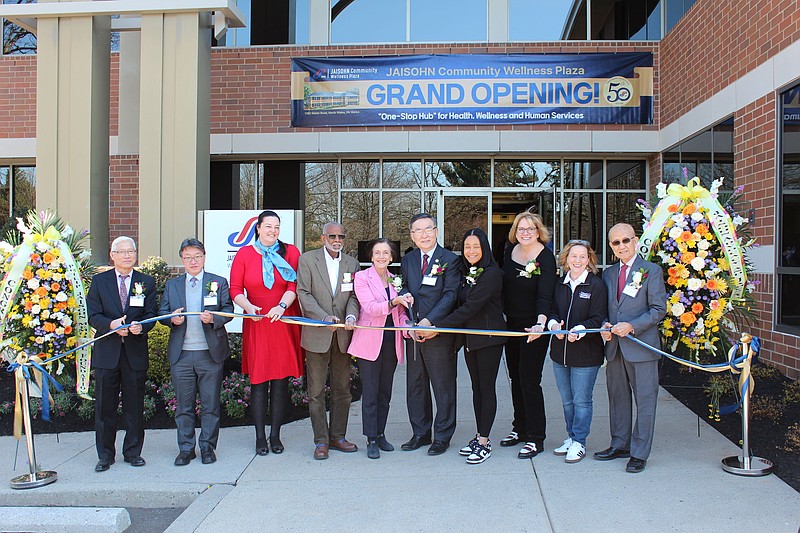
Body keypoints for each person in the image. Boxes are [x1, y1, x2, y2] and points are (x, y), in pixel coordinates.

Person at [230, 210, 304, 456]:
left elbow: (294, 283)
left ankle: (275, 435)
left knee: (281, 382)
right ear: (258, 228)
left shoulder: (290, 252)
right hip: (258, 321)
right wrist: (248, 307)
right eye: (268, 226)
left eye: (277, 227)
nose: (273, 231)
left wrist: (281, 306)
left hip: (282, 320)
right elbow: (235, 289)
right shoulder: (244, 254)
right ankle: (260, 436)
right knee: (259, 382)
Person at [529, 240, 607, 464]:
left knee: (582, 401)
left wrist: (579, 330)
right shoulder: (559, 284)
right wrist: (554, 326)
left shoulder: (596, 286)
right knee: (567, 401)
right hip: (560, 354)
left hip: (586, 355)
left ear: (589, 260)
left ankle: (580, 441)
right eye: (574, 256)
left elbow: (598, 318)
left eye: (583, 256)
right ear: (566, 259)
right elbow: (552, 311)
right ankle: (571, 437)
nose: (578, 260)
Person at [598, 223, 667, 473]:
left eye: (625, 240)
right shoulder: (608, 274)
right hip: (615, 348)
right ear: (611, 246)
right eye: (616, 242)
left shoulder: (651, 271)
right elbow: (604, 308)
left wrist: (632, 326)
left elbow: (659, 309)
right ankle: (620, 444)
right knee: (617, 398)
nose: (621, 246)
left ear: (635, 241)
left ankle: (639, 453)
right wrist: (604, 325)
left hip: (642, 346)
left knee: (645, 401)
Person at [159, 238, 233, 466]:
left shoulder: (218, 282)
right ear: (182, 259)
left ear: (204, 257)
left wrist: (214, 318)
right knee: (184, 406)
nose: (193, 261)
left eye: (197, 257)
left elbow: (228, 310)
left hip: (209, 353)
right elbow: (162, 312)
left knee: (210, 405)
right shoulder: (172, 285)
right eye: (188, 257)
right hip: (181, 354)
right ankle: (186, 449)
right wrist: (171, 319)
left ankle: (207, 447)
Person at [87, 236, 157, 472]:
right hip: (107, 353)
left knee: (134, 407)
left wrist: (141, 326)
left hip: (134, 353)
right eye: (122, 251)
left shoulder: (146, 281)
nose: (127, 255)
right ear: (112, 255)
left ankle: (133, 452)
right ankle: (105, 455)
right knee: (104, 408)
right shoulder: (99, 281)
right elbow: (92, 315)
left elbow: (151, 314)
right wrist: (111, 325)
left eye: (131, 251)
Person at [436, 228, 505, 464]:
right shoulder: (467, 271)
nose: (471, 251)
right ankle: (479, 435)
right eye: (467, 247)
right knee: (477, 389)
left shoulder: (491, 274)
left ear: (484, 248)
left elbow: (470, 308)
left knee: (486, 389)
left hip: (488, 340)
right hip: (471, 340)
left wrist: (438, 326)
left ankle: (484, 442)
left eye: (476, 246)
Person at [296, 222, 361, 460]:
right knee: (316, 392)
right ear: (323, 237)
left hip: (343, 335)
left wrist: (351, 316)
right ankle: (321, 441)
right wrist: (323, 317)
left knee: (342, 390)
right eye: (332, 236)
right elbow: (303, 293)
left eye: (341, 236)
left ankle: (338, 437)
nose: (337, 240)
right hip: (317, 334)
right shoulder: (307, 260)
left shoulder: (352, 263)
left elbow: (354, 296)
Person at [399, 213, 461, 456]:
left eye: (428, 229)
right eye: (418, 230)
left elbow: (450, 295)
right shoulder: (408, 259)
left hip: (438, 333)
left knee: (443, 386)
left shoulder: (450, 259)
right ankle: (420, 433)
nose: (423, 234)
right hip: (414, 332)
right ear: (412, 236)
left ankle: (442, 436)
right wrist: (408, 316)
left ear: (436, 231)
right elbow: (404, 286)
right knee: (416, 386)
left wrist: (430, 321)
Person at [500, 211, 557, 459]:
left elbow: (546, 295)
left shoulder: (545, 257)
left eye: (530, 229)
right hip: (511, 324)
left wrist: (540, 324)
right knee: (515, 377)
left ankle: (536, 437)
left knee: (529, 380)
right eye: (521, 229)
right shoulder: (509, 251)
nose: (525, 233)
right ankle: (520, 428)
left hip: (535, 327)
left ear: (538, 232)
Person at [348, 239, 412, 459]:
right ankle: (371, 439)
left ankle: (381, 434)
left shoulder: (396, 280)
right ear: (371, 256)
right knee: (371, 393)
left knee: (385, 392)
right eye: (377, 253)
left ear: (392, 257)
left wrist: (408, 327)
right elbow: (370, 308)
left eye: (386, 253)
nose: (382, 256)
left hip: (391, 342)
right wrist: (394, 302)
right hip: (369, 342)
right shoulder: (362, 278)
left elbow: (400, 314)